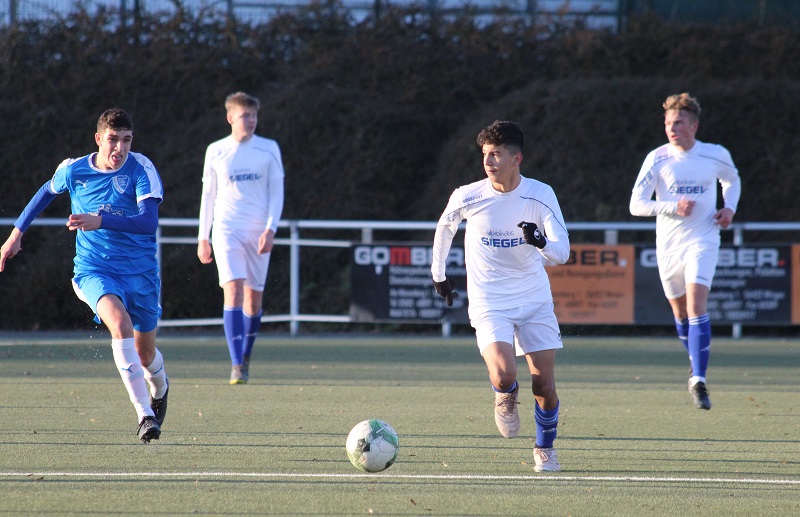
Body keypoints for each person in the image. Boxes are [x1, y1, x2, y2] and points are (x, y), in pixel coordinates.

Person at [0, 108, 170, 443]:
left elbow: (148, 222)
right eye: (112, 139)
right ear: (98, 139)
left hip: (141, 274)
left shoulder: (142, 169)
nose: (119, 147)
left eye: (126, 140)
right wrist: (16, 233)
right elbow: (46, 192)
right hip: (95, 269)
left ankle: (160, 387)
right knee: (118, 324)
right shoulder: (74, 169)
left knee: (145, 354)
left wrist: (100, 220)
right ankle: (144, 415)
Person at [431, 120, 570, 472]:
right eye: (485, 155)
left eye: (495, 154)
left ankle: (545, 448)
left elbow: (562, 252)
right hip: (490, 299)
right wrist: (439, 275)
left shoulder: (540, 194)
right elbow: (444, 228)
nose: (488, 161)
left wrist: (539, 241)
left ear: (516, 158)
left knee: (544, 384)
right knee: (506, 374)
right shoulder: (468, 194)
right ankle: (504, 396)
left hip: (534, 298)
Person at [630, 93, 741, 410]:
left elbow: (731, 181)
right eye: (668, 123)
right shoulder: (658, 158)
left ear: (694, 125)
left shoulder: (715, 154)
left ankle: (699, 380)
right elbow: (636, 205)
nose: (672, 128)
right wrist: (671, 206)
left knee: (696, 305)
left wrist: (729, 208)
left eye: (678, 122)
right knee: (680, 313)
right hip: (668, 245)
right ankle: (695, 361)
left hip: (703, 239)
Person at [197, 91, 285, 385]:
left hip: (258, 231)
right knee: (232, 290)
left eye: (254, 115)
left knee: (253, 300)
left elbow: (277, 194)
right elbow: (208, 196)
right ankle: (236, 364)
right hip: (226, 229)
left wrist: (270, 229)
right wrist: (203, 237)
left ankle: (245, 357)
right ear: (230, 117)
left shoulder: (269, 148)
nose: (250, 121)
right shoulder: (216, 150)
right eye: (245, 115)